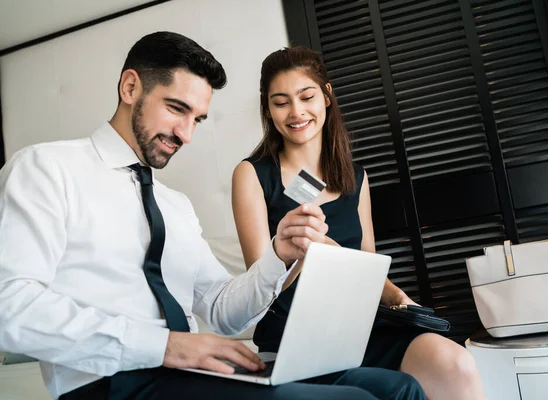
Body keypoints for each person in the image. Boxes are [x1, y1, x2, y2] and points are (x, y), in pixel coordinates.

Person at [0, 32, 426, 400]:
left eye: (198, 119)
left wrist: (279, 255)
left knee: (397, 390)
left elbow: (223, 310)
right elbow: (10, 308)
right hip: (109, 383)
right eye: (176, 108)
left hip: (189, 376)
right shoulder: (47, 168)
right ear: (131, 87)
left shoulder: (174, 205)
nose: (186, 134)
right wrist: (166, 346)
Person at [232, 46, 487, 400]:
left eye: (306, 96)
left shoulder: (355, 177)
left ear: (327, 96)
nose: (296, 112)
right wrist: (311, 251)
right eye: (280, 102)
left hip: (360, 326)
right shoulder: (252, 175)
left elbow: (368, 265)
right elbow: (258, 286)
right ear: (268, 109)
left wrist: (399, 298)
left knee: (454, 362)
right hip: (296, 337)